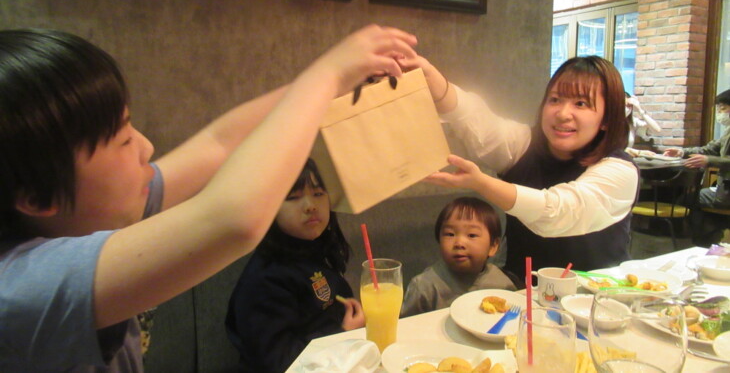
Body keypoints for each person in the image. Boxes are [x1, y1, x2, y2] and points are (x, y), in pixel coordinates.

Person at [0, 26, 416, 371]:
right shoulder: (20, 287)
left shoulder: (87, 212)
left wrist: (335, 84)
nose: (146, 147)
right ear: (36, 195)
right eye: (122, 138)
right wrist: (327, 74)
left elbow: (219, 143)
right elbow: (233, 219)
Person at [398, 55, 638, 280]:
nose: (563, 113)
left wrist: (481, 183)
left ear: (607, 119)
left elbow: (557, 212)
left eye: (581, 103)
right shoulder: (524, 144)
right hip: (522, 294)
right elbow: (478, 123)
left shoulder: (620, 171)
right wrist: (432, 78)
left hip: (596, 296)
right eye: (555, 99)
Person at [225, 158, 363, 372]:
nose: (310, 206)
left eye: (318, 193)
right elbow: (278, 361)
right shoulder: (266, 278)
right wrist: (342, 333)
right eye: (293, 197)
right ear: (270, 209)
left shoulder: (316, 249)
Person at [400, 197, 517, 318]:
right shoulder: (425, 286)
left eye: (472, 235)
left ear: (493, 246)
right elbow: (405, 325)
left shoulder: (502, 284)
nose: (459, 243)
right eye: (450, 234)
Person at [664, 89, 730, 240]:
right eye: (718, 109)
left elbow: (710, 155)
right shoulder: (728, 131)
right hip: (724, 187)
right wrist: (682, 152)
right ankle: (710, 234)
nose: (720, 113)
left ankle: (694, 239)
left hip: (727, 192)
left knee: (686, 200)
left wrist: (709, 160)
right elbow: (710, 149)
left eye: (723, 108)